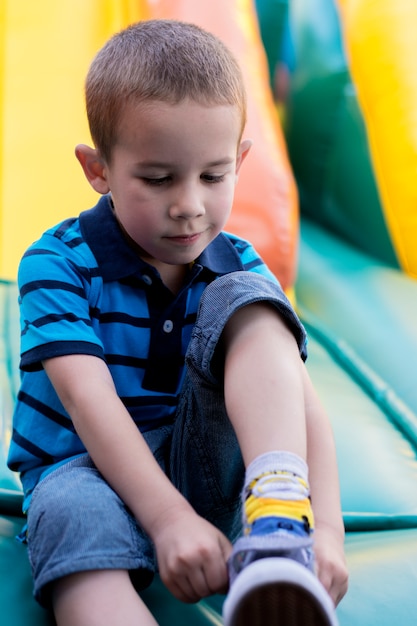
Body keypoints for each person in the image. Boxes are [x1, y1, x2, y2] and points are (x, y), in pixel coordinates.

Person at [7, 19, 348, 626]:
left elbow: (301, 401)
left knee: (251, 301)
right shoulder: (56, 263)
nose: (189, 204)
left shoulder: (238, 263)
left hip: (200, 463)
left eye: (213, 176)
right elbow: (88, 403)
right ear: (99, 169)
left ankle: (279, 520)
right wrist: (168, 520)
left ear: (241, 160)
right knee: (67, 515)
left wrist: (328, 532)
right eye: (158, 178)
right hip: (86, 470)